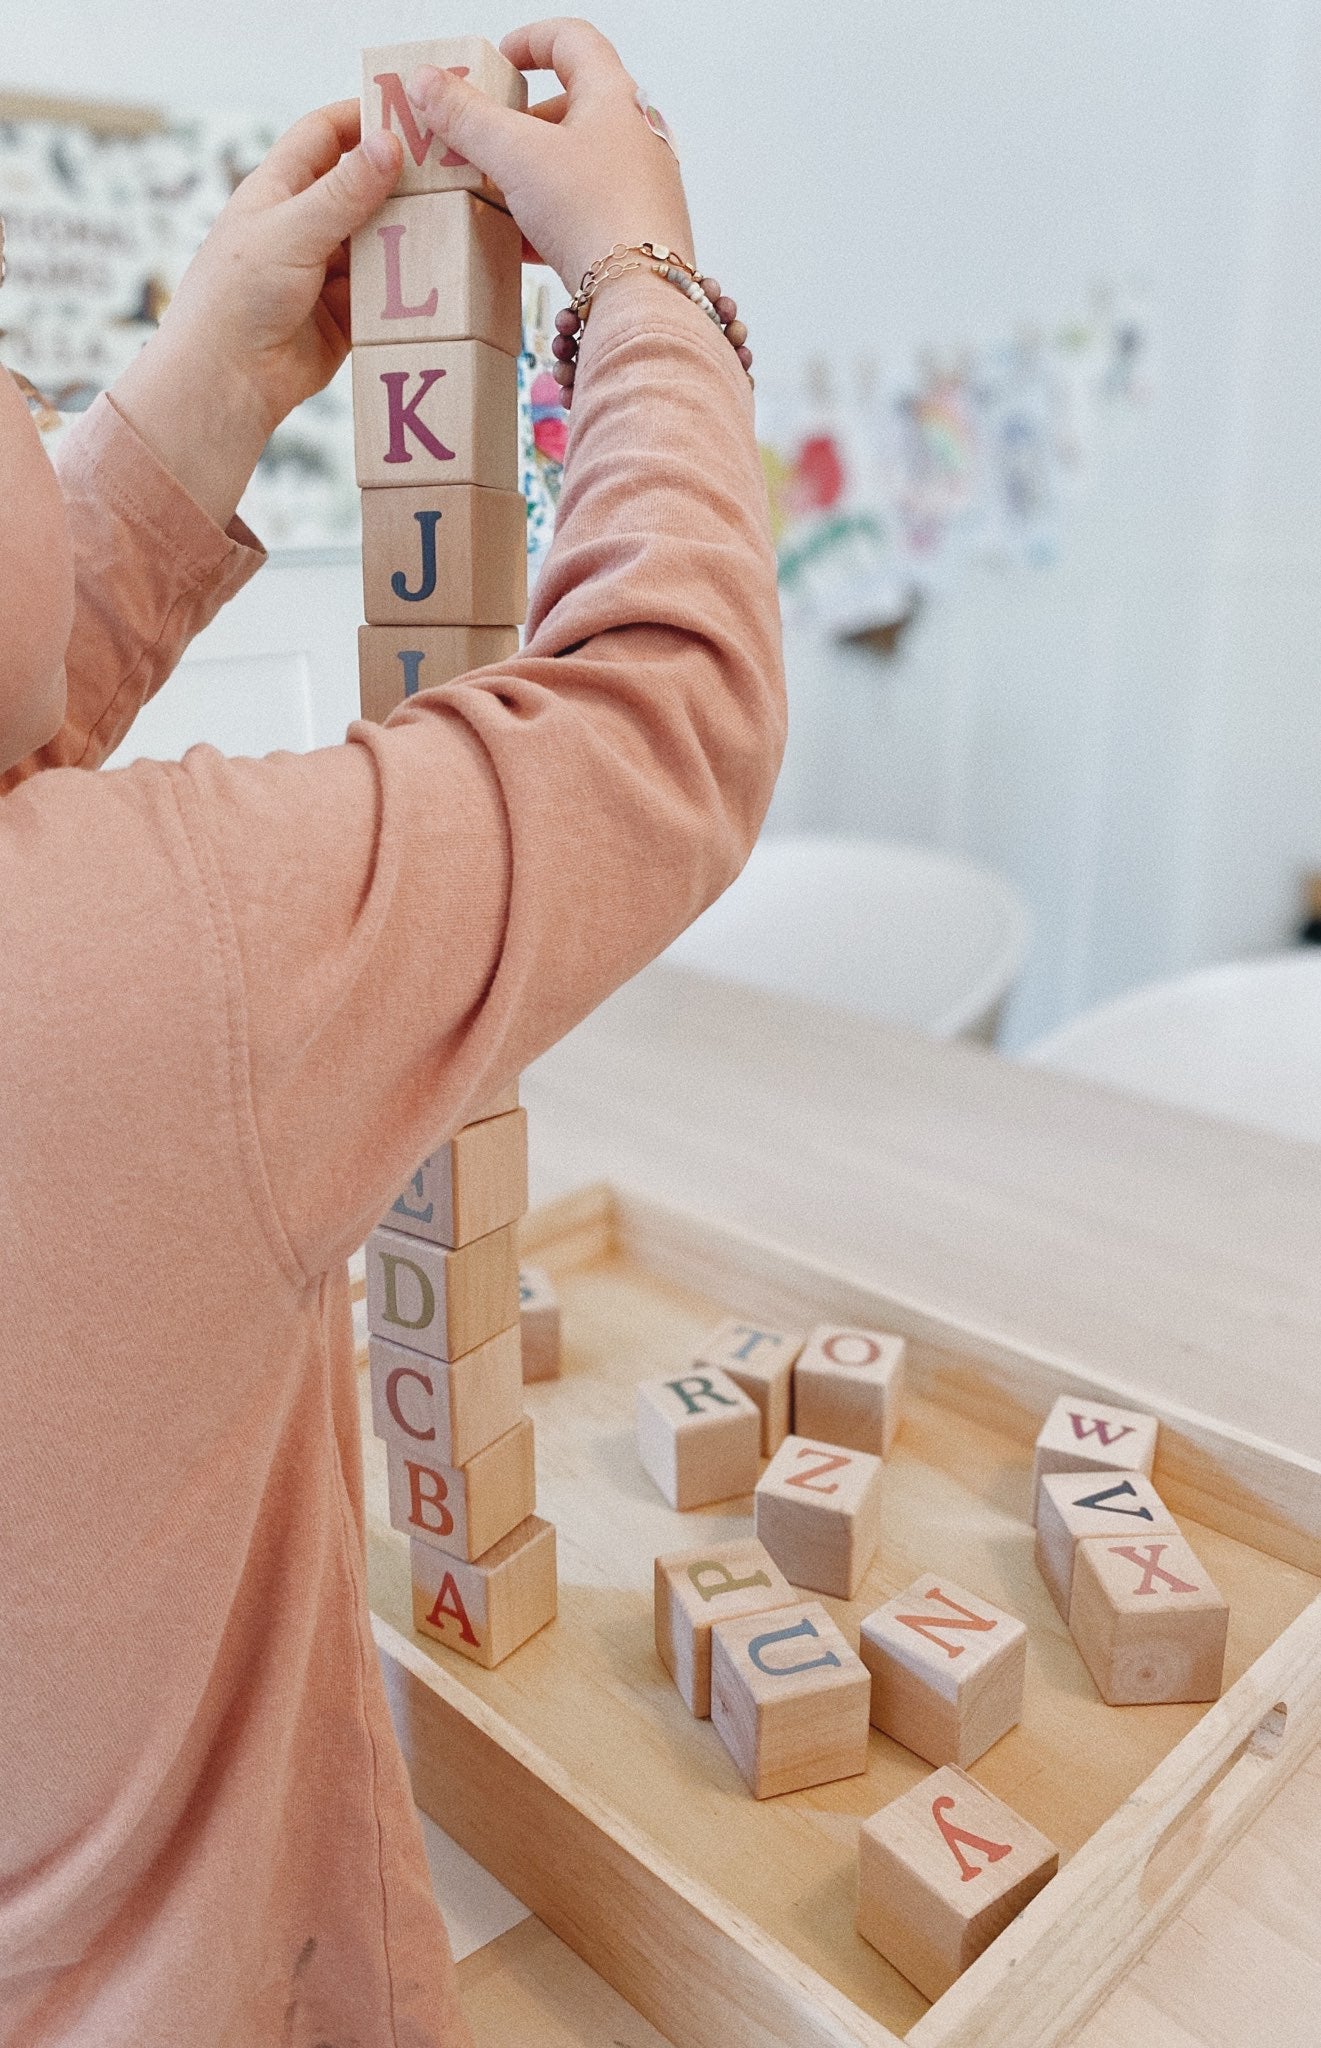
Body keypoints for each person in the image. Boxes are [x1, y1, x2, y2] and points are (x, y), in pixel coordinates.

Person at [0, 18, 784, 2047]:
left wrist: (211, 381)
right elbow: (654, 711)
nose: (26, 399)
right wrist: (639, 282)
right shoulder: (169, 965)